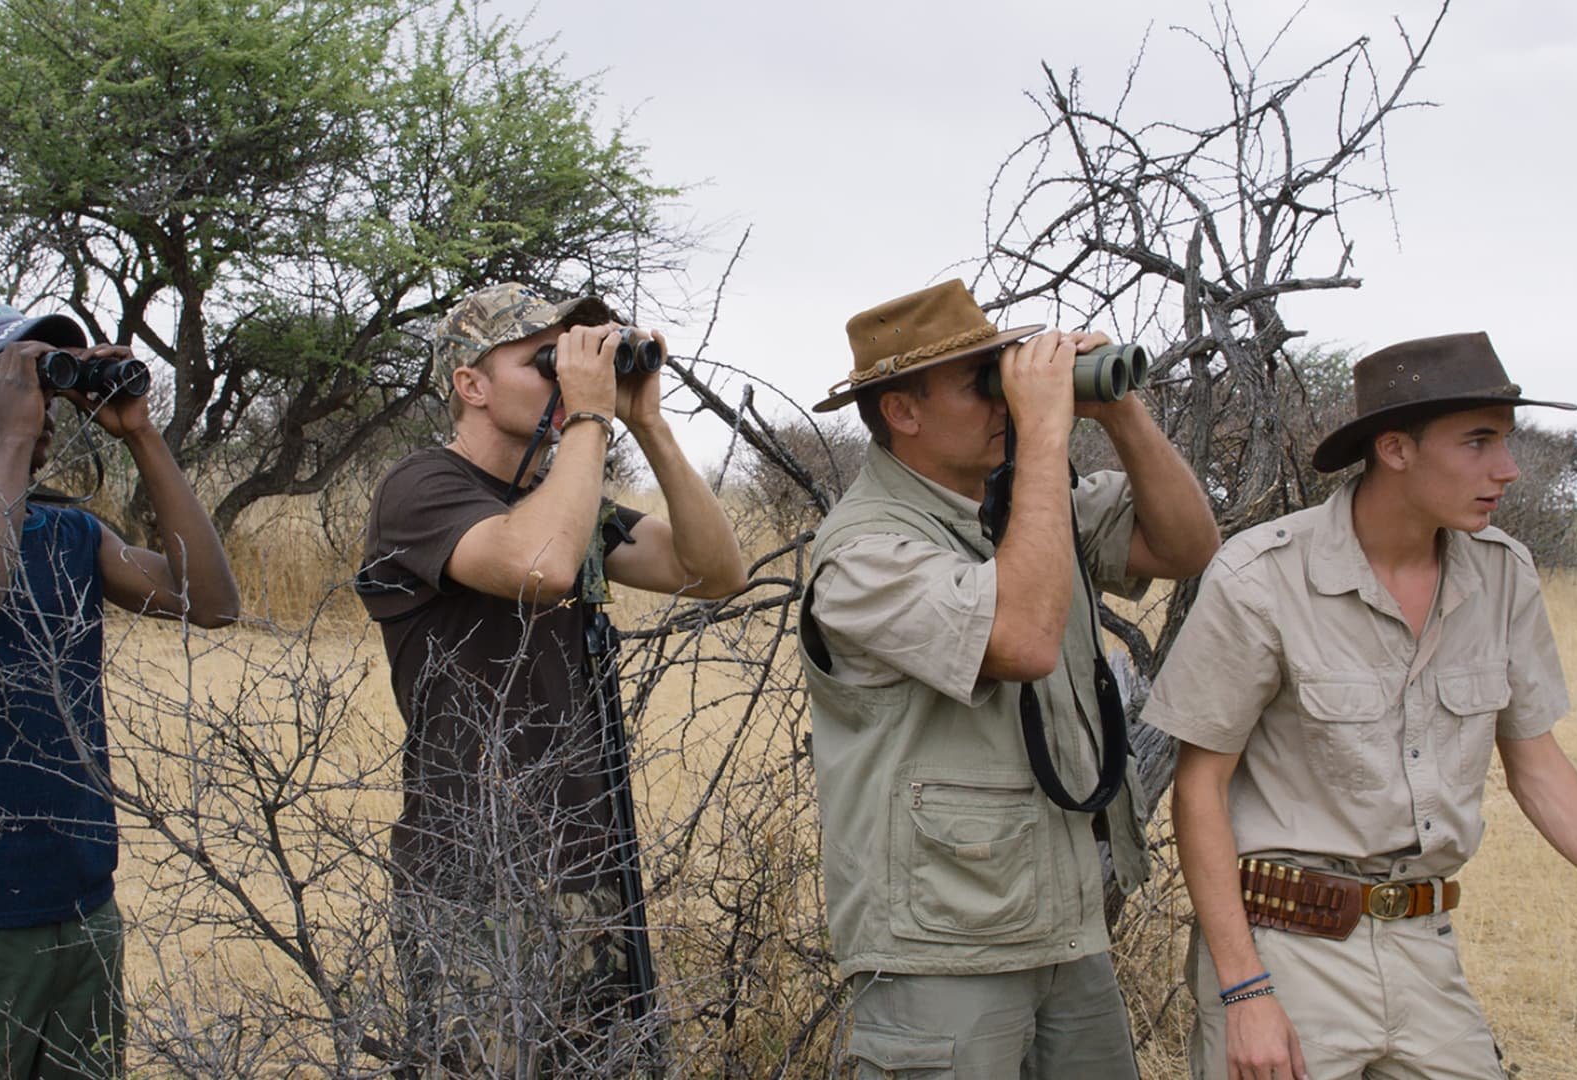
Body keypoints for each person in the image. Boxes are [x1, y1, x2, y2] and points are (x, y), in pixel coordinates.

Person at [1145, 332, 1577, 1080]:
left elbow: (1539, 768)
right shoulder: (1263, 577)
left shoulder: (1504, 575)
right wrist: (1246, 989)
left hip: (1424, 945)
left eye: (1507, 442)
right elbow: (1199, 789)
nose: (1507, 470)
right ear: (1395, 449)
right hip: (1285, 948)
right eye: (1479, 442)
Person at [796, 279, 1218, 1077]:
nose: (1005, 398)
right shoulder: (863, 552)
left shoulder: (1022, 505)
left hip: (1059, 919)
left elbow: (1188, 545)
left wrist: (1120, 412)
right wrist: (1048, 431)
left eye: (1005, 373)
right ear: (903, 412)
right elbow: (1021, 639)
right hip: (939, 949)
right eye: (980, 382)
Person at [354, 282, 746, 1072]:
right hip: (474, 873)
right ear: (470, 384)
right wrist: (592, 417)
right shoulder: (422, 488)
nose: (568, 375)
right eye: (545, 360)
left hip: (587, 865)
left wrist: (650, 423)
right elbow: (540, 565)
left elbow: (713, 570)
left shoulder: (559, 500)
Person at [0, 303, 241, 1078]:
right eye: (11, 377)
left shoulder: (71, 535)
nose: (39, 400)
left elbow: (212, 602)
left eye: (44, 382)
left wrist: (141, 434)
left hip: (82, 905)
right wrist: (17, 441)